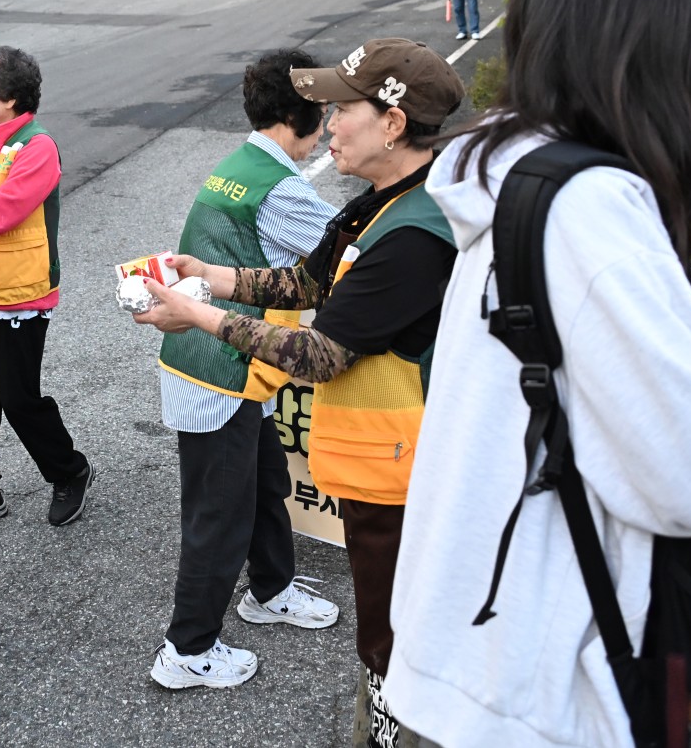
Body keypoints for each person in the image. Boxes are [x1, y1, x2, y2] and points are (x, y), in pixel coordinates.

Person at [384, 0, 691, 747]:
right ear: (657, 50)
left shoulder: (515, 180)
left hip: (471, 657)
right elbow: (689, 477)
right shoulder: (593, 211)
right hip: (538, 700)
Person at [135, 38, 463, 747]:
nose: (328, 123)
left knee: (390, 638)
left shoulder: (414, 235)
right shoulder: (377, 204)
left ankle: (391, 730)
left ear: (393, 124)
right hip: (375, 462)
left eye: (343, 109)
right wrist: (211, 277)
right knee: (383, 626)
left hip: (399, 473)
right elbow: (306, 282)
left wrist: (200, 314)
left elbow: (319, 354)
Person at [149, 49, 341, 691]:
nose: (330, 122)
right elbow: (349, 262)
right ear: (300, 113)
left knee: (262, 482)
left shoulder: (241, 164)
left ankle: (271, 588)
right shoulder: (282, 189)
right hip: (221, 369)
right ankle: (188, 650)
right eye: (325, 108)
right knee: (219, 511)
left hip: (221, 360)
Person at [0, 46, 93, 526]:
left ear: (9, 99)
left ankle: (70, 470)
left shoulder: (38, 147)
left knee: (17, 397)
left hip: (18, 295)